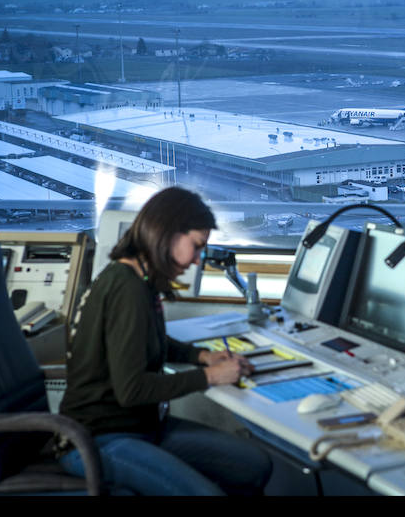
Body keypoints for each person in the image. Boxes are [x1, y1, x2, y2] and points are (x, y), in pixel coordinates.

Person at [58, 186, 273, 495]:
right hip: (98, 439)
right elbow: (132, 390)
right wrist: (209, 377)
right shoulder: (127, 290)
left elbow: (149, 342)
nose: (198, 260)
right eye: (196, 247)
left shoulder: (139, 279)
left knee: (254, 465)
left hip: (141, 427)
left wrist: (202, 357)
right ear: (167, 234)